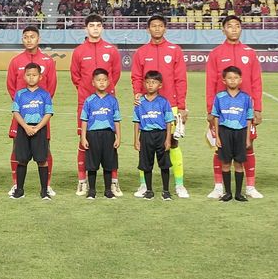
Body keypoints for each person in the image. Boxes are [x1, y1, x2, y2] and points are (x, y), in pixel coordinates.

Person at [131, 15, 190, 199]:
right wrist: (137, 94)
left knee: (172, 144)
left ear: (165, 28)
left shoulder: (175, 50)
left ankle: (179, 185)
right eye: (153, 26)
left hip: (170, 105)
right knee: (144, 146)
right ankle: (143, 185)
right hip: (146, 106)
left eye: (160, 26)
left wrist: (181, 106)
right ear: (148, 29)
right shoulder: (141, 52)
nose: (157, 29)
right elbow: (136, 77)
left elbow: (180, 79)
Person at [205, 15, 263, 199]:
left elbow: (256, 82)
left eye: (237, 26)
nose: (234, 29)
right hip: (222, 112)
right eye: (230, 26)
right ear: (223, 30)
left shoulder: (250, 53)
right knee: (219, 147)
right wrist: (209, 110)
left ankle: (250, 187)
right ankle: (218, 186)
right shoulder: (216, 53)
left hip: (244, 111)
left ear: (241, 29)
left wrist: (258, 109)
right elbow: (210, 83)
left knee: (248, 145)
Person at [70, 14, 122, 197]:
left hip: (108, 102)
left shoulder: (111, 50)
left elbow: (115, 74)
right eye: (91, 25)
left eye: (98, 25)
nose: (95, 28)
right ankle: (82, 181)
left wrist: (105, 92)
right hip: (86, 102)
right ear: (86, 28)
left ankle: (113, 182)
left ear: (102, 28)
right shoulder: (78, 51)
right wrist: (86, 91)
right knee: (83, 141)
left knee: (111, 141)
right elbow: (75, 76)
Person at [5, 25, 56, 197]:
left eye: (32, 36)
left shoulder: (48, 61)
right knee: (18, 151)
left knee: (44, 151)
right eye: (25, 37)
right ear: (22, 39)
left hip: (41, 117)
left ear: (38, 39)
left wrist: (40, 105)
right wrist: (22, 103)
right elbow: (11, 86)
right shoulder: (16, 61)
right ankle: (17, 185)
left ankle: (46, 186)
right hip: (21, 114)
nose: (29, 40)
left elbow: (51, 87)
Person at [10, 63, 53, 200]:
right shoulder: (20, 94)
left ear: (40, 77)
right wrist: (26, 127)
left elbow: (48, 113)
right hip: (23, 129)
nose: (31, 78)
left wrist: (38, 127)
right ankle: (19, 190)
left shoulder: (44, 94)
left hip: (39, 129)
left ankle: (44, 190)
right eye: (28, 75)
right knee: (22, 160)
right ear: (24, 76)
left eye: (34, 75)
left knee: (42, 160)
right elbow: (15, 112)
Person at [211, 66, 253, 203]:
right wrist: (217, 136)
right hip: (224, 132)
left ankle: (239, 194)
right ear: (224, 80)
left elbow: (248, 119)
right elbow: (216, 117)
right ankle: (227, 193)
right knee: (226, 163)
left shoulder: (246, 98)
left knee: (239, 163)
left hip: (240, 133)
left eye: (235, 78)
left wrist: (247, 138)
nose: (233, 80)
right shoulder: (219, 97)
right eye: (229, 78)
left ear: (240, 80)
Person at [132, 71, 174, 201]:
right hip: (145, 135)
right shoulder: (139, 102)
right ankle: (149, 190)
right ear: (145, 84)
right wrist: (136, 140)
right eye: (148, 82)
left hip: (161, 135)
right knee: (146, 164)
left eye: (154, 82)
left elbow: (168, 122)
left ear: (160, 85)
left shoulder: (163, 102)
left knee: (164, 164)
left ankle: (166, 191)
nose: (150, 85)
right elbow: (136, 122)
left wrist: (168, 139)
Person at [80, 68, 121, 199]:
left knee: (108, 163)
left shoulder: (113, 100)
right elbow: (84, 120)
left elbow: (117, 120)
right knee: (92, 164)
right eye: (98, 80)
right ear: (93, 83)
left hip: (108, 135)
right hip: (92, 135)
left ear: (108, 82)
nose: (101, 83)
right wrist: (83, 137)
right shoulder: (89, 100)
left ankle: (108, 190)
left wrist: (118, 137)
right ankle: (91, 190)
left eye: (104, 80)